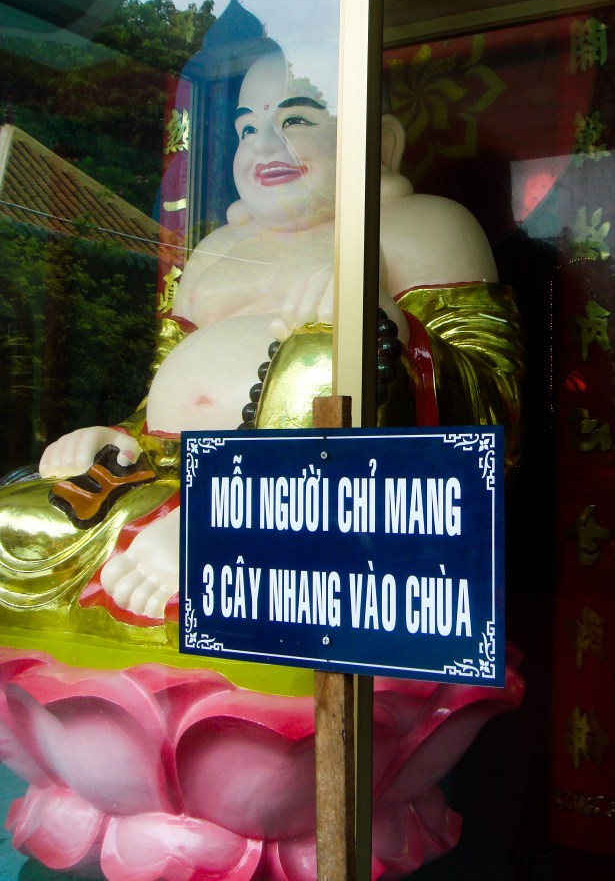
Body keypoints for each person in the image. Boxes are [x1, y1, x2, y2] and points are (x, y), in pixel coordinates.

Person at [0, 36, 523, 639]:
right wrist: (119, 439)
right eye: (247, 129)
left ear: (379, 144)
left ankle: (236, 528)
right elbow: (168, 390)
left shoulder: (423, 227)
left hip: (322, 502)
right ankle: (203, 530)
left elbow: (497, 413)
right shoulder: (215, 253)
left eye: (295, 119)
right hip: (171, 478)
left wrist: (386, 329)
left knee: (328, 351)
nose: (264, 146)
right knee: (16, 529)